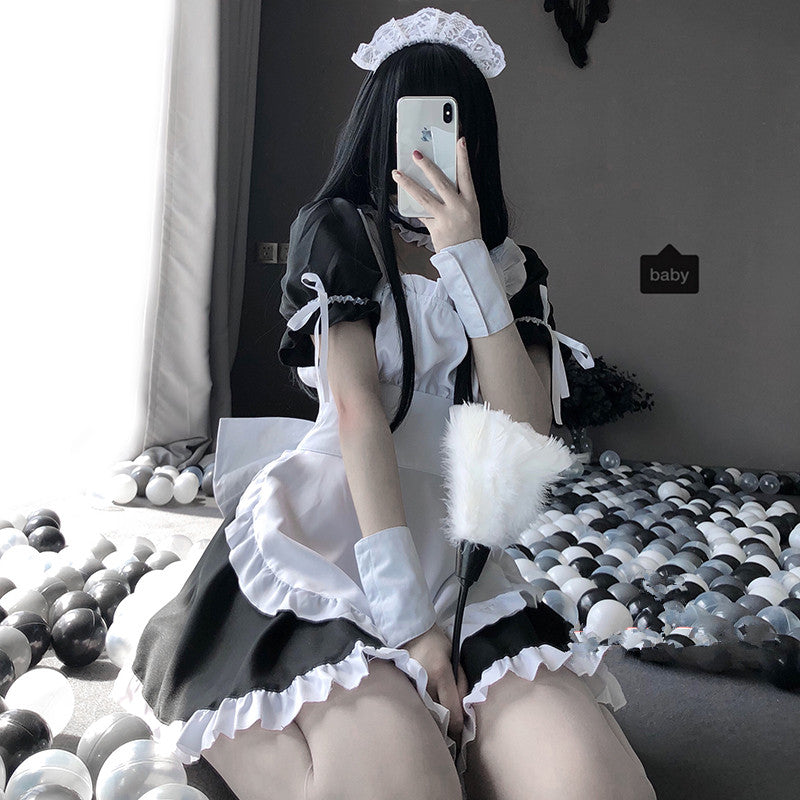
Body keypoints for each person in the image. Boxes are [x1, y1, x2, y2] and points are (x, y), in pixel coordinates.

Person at [112, 7, 656, 799]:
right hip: (337, 533)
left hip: (457, 555)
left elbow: (523, 435)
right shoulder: (337, 233)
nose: (431, 144)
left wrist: (468, 263)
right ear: (382, 128)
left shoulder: (512, 269)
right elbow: (359, 411)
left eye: (450, 124)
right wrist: (409, 621)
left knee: (593, 786)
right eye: (414, 122)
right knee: (400, 785)